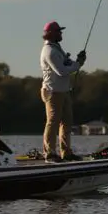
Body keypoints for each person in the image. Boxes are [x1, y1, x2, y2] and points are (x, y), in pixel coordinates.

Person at [40, 21, 87, 162]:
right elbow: (61, 71)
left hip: (63, 91)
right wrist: (77, 65)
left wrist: (79, 61)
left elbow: (67, 64)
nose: (61, 34)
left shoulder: (57, 48)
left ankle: (66, 153)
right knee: (53, 122)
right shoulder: (50, 51)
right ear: (51, 34)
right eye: (59, 32)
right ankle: (49, 153)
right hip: (52, 92)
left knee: (67, 122)